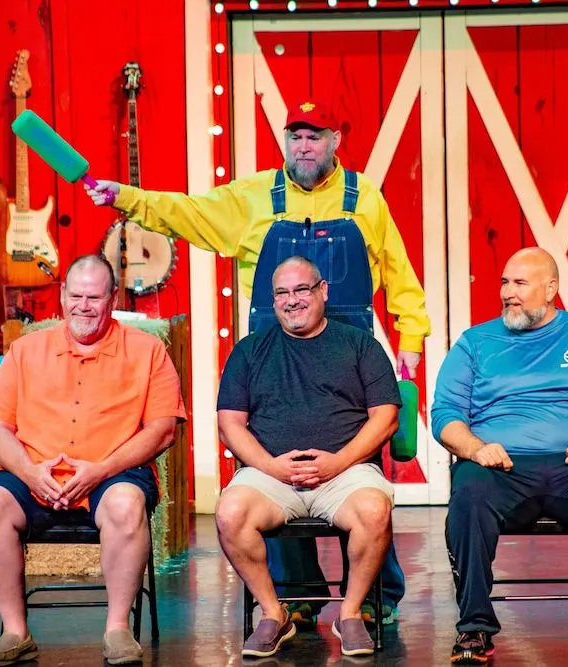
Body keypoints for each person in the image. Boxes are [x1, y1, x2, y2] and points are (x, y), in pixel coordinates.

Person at [85, 97, 427, 625]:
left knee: (362, 471)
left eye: (315, 136)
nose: (304, 145)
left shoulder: (365, 198)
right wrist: (125, 198)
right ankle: (297, 594)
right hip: (275, 353)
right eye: (296, 136)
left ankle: (378, 598)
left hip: (350, 352)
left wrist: (411, 335)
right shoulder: (250, 197)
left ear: (336, 140)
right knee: (277, 465)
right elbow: (186, 211)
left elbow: (399, 271)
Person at [431, 247, 568, 665]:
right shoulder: (475, 343)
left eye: (520, 283)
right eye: (504, 282)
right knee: (468, 493)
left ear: (551, 288)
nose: (507, 293)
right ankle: (474, 628)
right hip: (501, 467)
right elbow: (444, 416)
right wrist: (476, 449)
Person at [0, 255, 186, 666]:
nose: (84, 306)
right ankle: (16, 632)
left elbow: (162, 430)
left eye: (95, 297)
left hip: (113, 471)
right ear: (63, 295)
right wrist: (31, 474)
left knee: (125, 503)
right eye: (76, 295)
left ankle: (118, 629)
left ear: (113, 298)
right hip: (37, 472)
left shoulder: (147, 350)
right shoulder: (25, 350)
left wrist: (101, 470)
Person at [214, 256, 399, 658]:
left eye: (302, 290)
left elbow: (385, 418)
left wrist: (339, 462)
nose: (292, 300)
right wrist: (271, 466)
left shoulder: (359, 345)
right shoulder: (250, 352)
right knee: (230, 513)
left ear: (323, 291)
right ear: (273, 299)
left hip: (345, 472)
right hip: (271, 476)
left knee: (374, 511)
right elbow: (230, 424)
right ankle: (272, 613)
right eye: (282, 292)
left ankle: (349, 613)